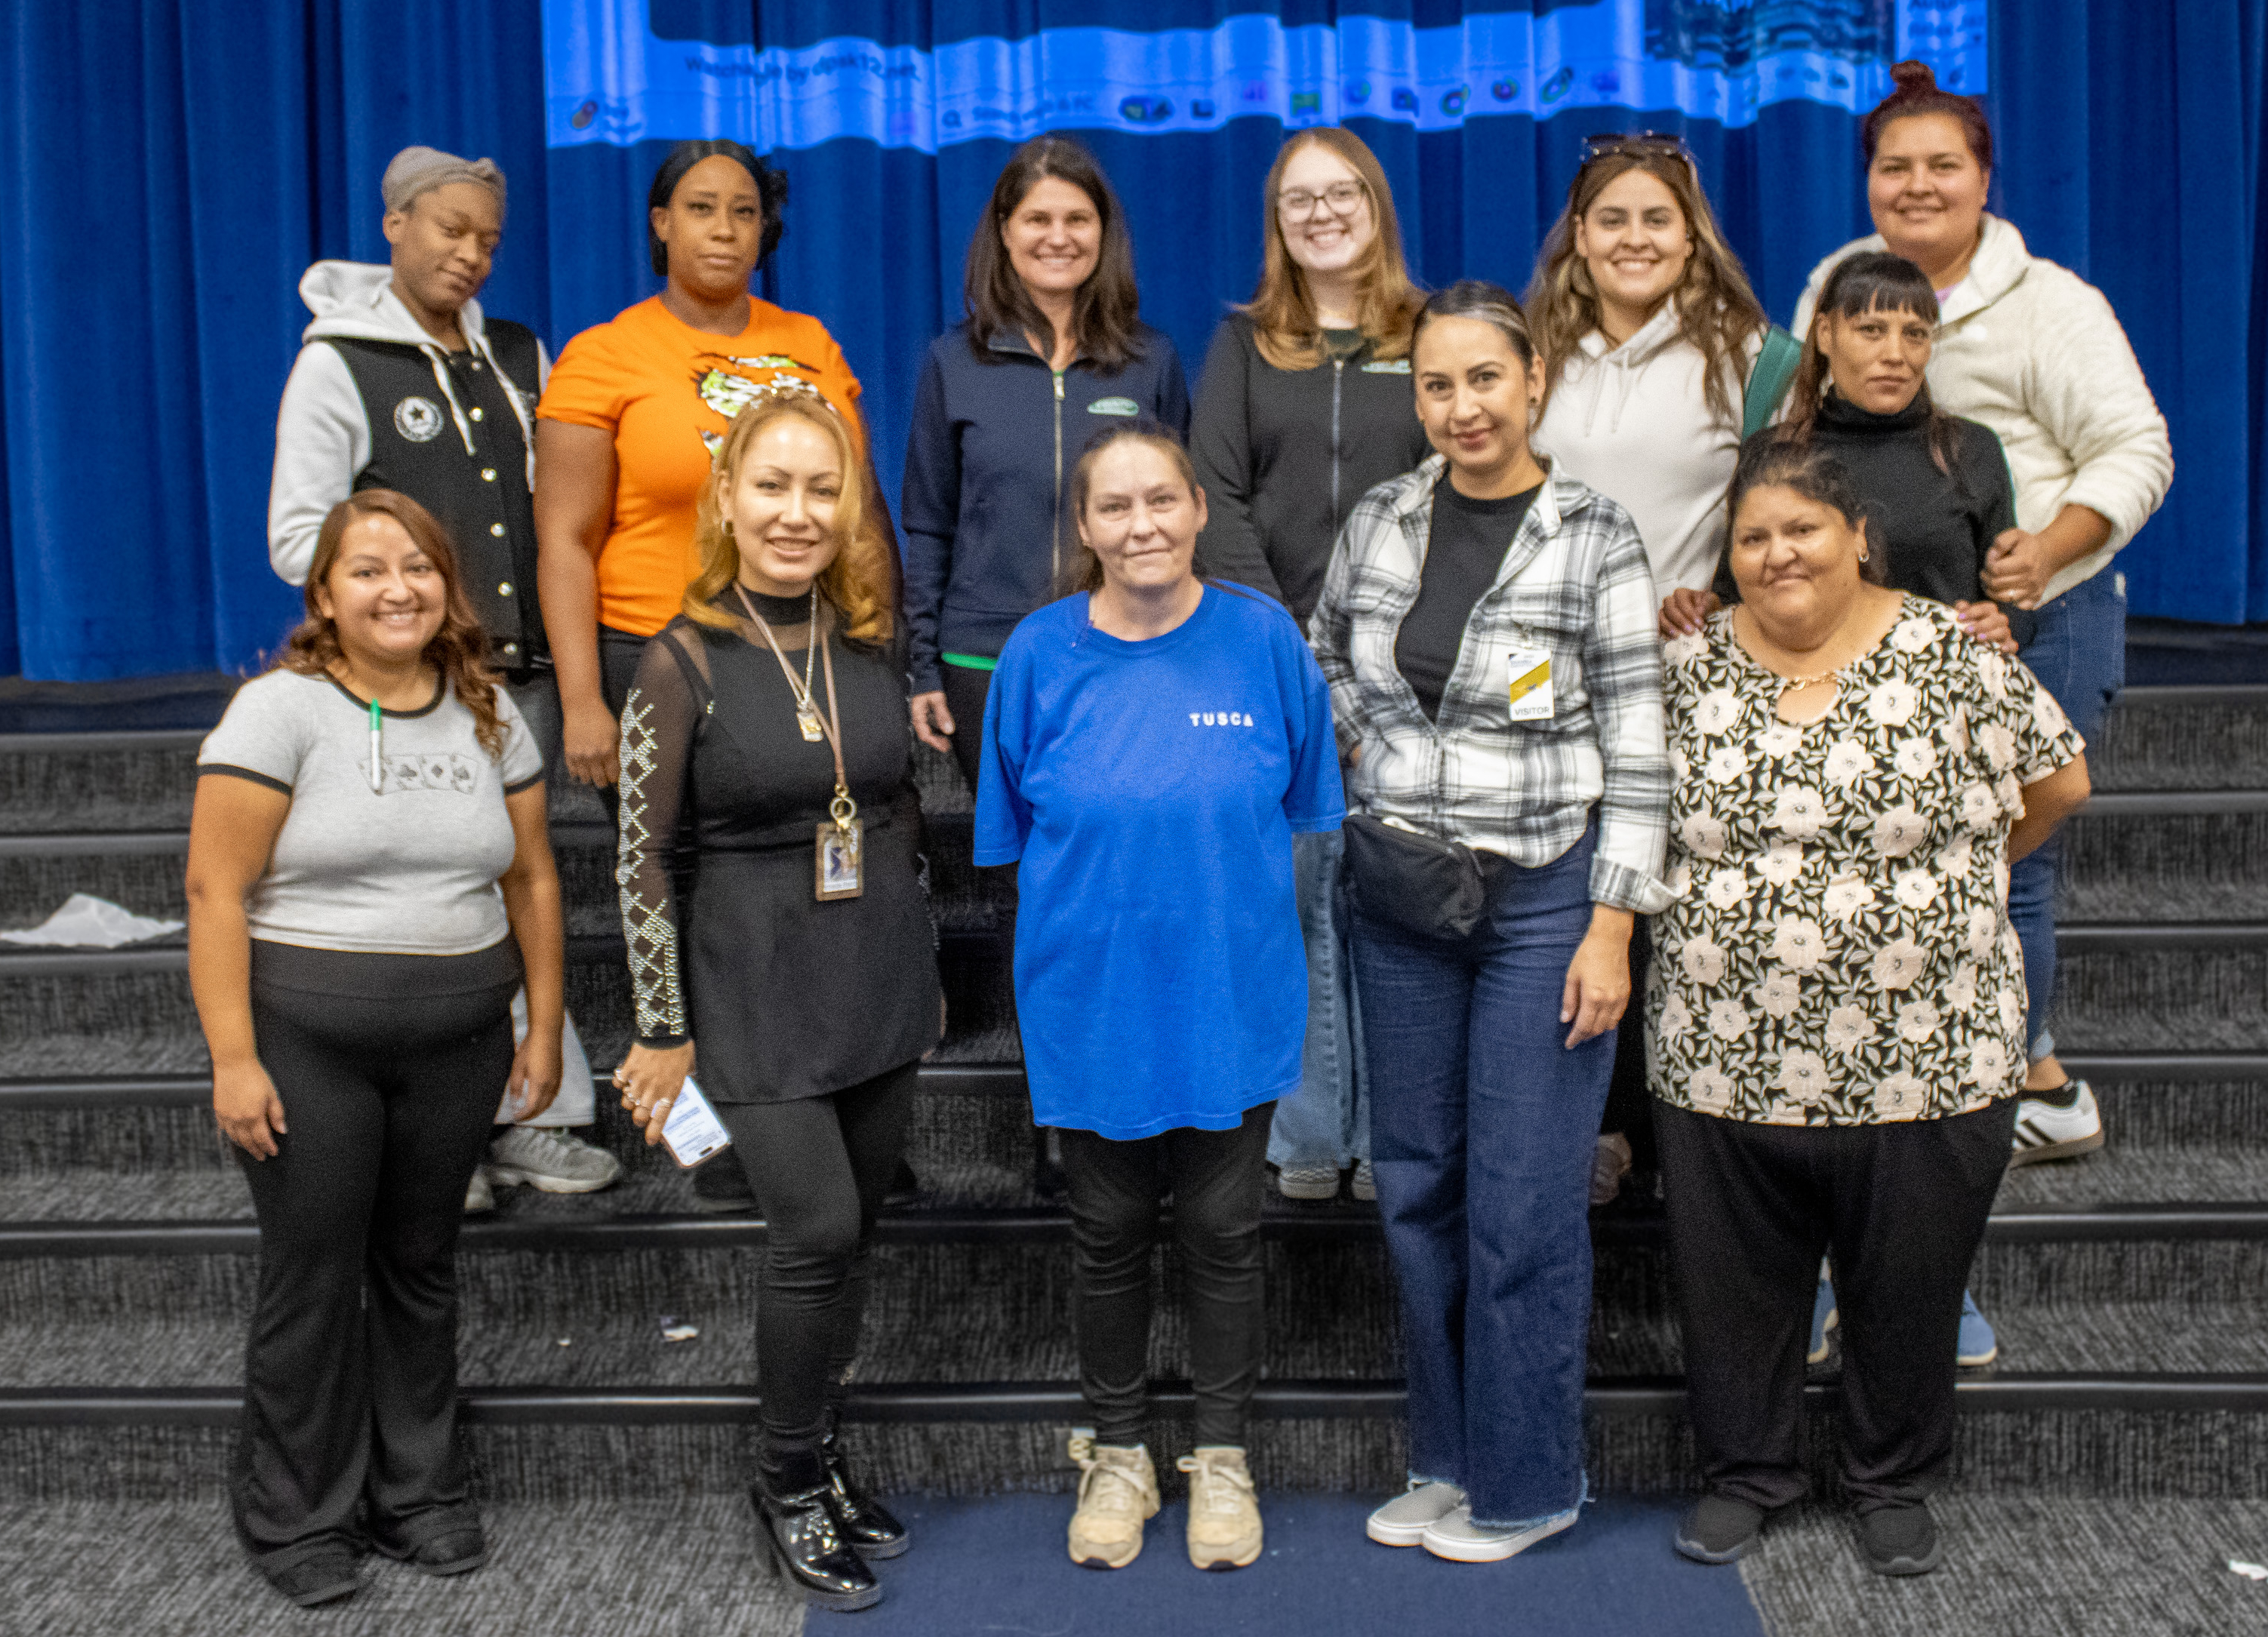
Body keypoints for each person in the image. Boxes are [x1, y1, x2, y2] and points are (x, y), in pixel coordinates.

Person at [1648, 438, 2088, 1574]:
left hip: (1929, 1051)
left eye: (1802, 529)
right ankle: (1748, 1469)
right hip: (1721, 1052)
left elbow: (2056, 782)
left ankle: (1889, 1476)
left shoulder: (1948, 652)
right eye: (1753, 536)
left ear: (1858, 539)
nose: (1777, 552)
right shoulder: (1689, 670)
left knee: (1904, 1284)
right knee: (1735, 1283)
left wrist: (1948, 894)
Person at [1310, 282, 1672, 1563]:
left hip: (1543, 906)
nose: (1461, 406)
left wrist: (1613, 927)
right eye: (1436, 385)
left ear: (1531, 386)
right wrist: (1371, 781)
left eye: (1483, 380)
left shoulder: (1594, 532)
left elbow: (1638, 746)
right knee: (1417, 1187)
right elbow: (1327, 667)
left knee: (1522, 1202)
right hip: (1404, 900)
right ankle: (1447, 1459)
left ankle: (1529, 1480)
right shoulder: (1381, 517)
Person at [186, 491, 565, 1608]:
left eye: (418, 566)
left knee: (421, 1267)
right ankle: (298, 1514)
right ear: (323, 595)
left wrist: (544, 1024)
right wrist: (232, 1057)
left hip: (459, 1042)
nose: (396, 588)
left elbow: (533, 876)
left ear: (448, 584)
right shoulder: (279, 711)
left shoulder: (488, 710)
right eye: (367, 570)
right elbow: (215, 889)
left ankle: (420, 1494)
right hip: (306, 1043)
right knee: (315, 1276)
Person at [974, 423, 1342, 1572]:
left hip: (1232, 991)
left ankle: (1222, 1455)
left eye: (1160, 502)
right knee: (1107, 1234)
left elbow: (1307, 809)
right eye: (1114, 508)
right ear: (1083, 529)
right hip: (1091, 998)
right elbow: (1012, 831)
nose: (1141, 526)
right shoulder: (1035, 655)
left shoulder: (1263, 638)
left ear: (1196, 510)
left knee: (1228, 1234)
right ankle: (1121, 1452)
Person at [1794, 61, 2172, 1171]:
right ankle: (2032, 1075)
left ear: (1984, 179)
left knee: (2011, 862)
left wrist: (2045, 551)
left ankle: (1988, 1091)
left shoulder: (2054, 304)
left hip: (2028, 620)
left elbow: (2136, 448)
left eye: (1941, 166)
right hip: (1870, 640)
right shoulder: (1837, 281)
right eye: (1894, 167)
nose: (1917, 186)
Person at [608, 386, 940, 1613]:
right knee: (813, 1232)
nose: (796, 512)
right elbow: (638, 857)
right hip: (751, 987)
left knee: (855, 1232)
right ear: (728, 499)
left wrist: (919, 974)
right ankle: (787, 1476)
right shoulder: (678, 659)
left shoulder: (866, 644)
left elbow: (894, 810)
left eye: (820, 489)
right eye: (772, 486)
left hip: (875, 984)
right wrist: (659, 1021)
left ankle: (824, 1446)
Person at [266, 145, 614, 1208]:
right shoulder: (339, 360)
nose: (470, 254)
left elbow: (560, 517)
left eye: (489, 241)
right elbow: (296, 538)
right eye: (450, 230)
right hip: (414, 686)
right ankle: (440, 1141)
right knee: (437, 901)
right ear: (396, 225)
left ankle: (530, 1116)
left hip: (530, 676)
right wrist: (406, 594)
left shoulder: (518, 352)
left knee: (521, 896)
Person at [537, 137, 880, 1210]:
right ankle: (702, 1139)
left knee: (784, 895)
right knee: (667, 892)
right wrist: (584, 694)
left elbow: (853, 512)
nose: (723, 229)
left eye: (742, 212)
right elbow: (562, 539)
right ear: (660, 223)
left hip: (792, 649)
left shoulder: (808, 342)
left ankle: (804, 1106)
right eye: (700, 208)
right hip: (656, 655)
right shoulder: (604, 355)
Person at [1524, 131, 1777, 1206]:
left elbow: (1782, 506)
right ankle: (1603, 1125)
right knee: (1566, 897)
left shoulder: (1752, 354)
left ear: (1691, 236)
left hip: (1691, 672)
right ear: (1578, 237)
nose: (1634, 238)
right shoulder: (1531, 345)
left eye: (1655, 219)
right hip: (1546, 676)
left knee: (1687, 906)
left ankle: (1695, 1133)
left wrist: (1721, 587)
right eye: (1611, 218)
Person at [1188, 126, 1429, 1207]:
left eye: (1342, 194)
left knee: (1393, 905)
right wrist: (1293, 657)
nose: (1322, 213)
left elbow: (1455, 487)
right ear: (1277, 224)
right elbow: (1215, 495)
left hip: (1406, 670)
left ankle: (1393, 1134)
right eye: (1298, 200)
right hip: (1265, 662)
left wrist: (1375, 658)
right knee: (1294, 900)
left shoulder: (1428, 335)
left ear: (1376, 205)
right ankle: (1310, 1132)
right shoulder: (1245, 344)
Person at [901, 136, 1189, 795]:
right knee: (1018, 868)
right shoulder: (953, 362)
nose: (1057, 237)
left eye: (1076, 219)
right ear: (1004, 231)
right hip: (986, 658)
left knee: (1122, 845)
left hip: (1126, 650)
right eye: (1037, 219)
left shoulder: (1151, 360)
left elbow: (1181, 526)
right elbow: (928, 526)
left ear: (1102, 232)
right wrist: (922, 667)